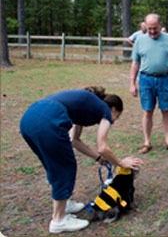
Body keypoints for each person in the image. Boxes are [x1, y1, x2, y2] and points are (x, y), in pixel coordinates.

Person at [19, 87, 143, 233]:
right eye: (117, 116)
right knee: (64, 168)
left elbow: (74, 140)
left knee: (55, 165)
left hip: (29, 119)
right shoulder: (104, 109)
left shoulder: (86, 106)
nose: (114, 121)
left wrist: (97, 158)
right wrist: (121, 163)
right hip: (48, 120)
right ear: (113, 109)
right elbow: (102, 147)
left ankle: (63, 204)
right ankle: (58, 220)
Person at [130, 13, 168, 154]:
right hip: (145, 80)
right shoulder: (140, 41)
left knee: (166, 110)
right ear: (145, 27)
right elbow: (135, 63)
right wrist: (132, 83)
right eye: (149, 29)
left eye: (155, 28)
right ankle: (147, 142)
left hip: (166, 79)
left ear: (160, 25)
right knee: (147, 111)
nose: (152, 31)